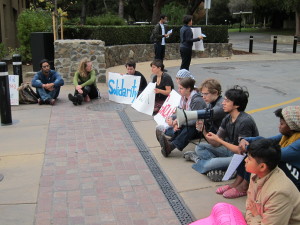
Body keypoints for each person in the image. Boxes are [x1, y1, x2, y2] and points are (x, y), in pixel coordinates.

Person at [192, 139, 300, 225]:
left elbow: (254, 211)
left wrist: (255, 214)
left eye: (249, 158)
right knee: (221, 209)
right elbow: (249, 206)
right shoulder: (256, 173)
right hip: (257, 219)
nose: (245, 160)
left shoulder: (279, 192)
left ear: (262, 166)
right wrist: (254, 214)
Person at [187, 85, 259, 198]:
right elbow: (216, 143)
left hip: (241, 157)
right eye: (224, 99)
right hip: (230, 152)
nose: (223, 103)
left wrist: (218, 139)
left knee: (211, 163)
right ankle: (222, 168)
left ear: (237, 105)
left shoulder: (245, 121)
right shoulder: (227, 118)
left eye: (227, 101)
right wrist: (204, 132)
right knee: (200, 147)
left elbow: (241, 150)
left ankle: (204, 162)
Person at [231, 105, 300, 191]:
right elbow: (266, 140)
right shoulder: (287, 135)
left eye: (282, 124)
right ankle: (239, 181)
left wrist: (248, 147)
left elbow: (274, 154)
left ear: (292, 126)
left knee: (262, 156)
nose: (279, 126)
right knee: (254, 150)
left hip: (297, 180)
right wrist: (244, 140)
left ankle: (245, 186)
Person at [157, 77, 206, 157]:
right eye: (179, 88)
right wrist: (171, 119)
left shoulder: (197, 100)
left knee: (188, 128)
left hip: (200, 127)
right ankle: (169, 143)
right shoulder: (183, 97)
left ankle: (170, 145)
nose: (179, 90)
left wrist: (178, 122)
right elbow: (180, 113)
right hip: (188, 122)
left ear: (188, 89)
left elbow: (194, 120)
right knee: (175, 127)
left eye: (181, 88)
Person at [183, 78, 227, 159]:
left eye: (206, 94)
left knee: (199, 147)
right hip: (219, 139)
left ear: (216, 93)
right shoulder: (212, 103)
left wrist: (183, 120)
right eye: (202, 94)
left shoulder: (220, 106)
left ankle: (201, 159)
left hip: (225, 142)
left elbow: (207, 114)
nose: (203, 97)